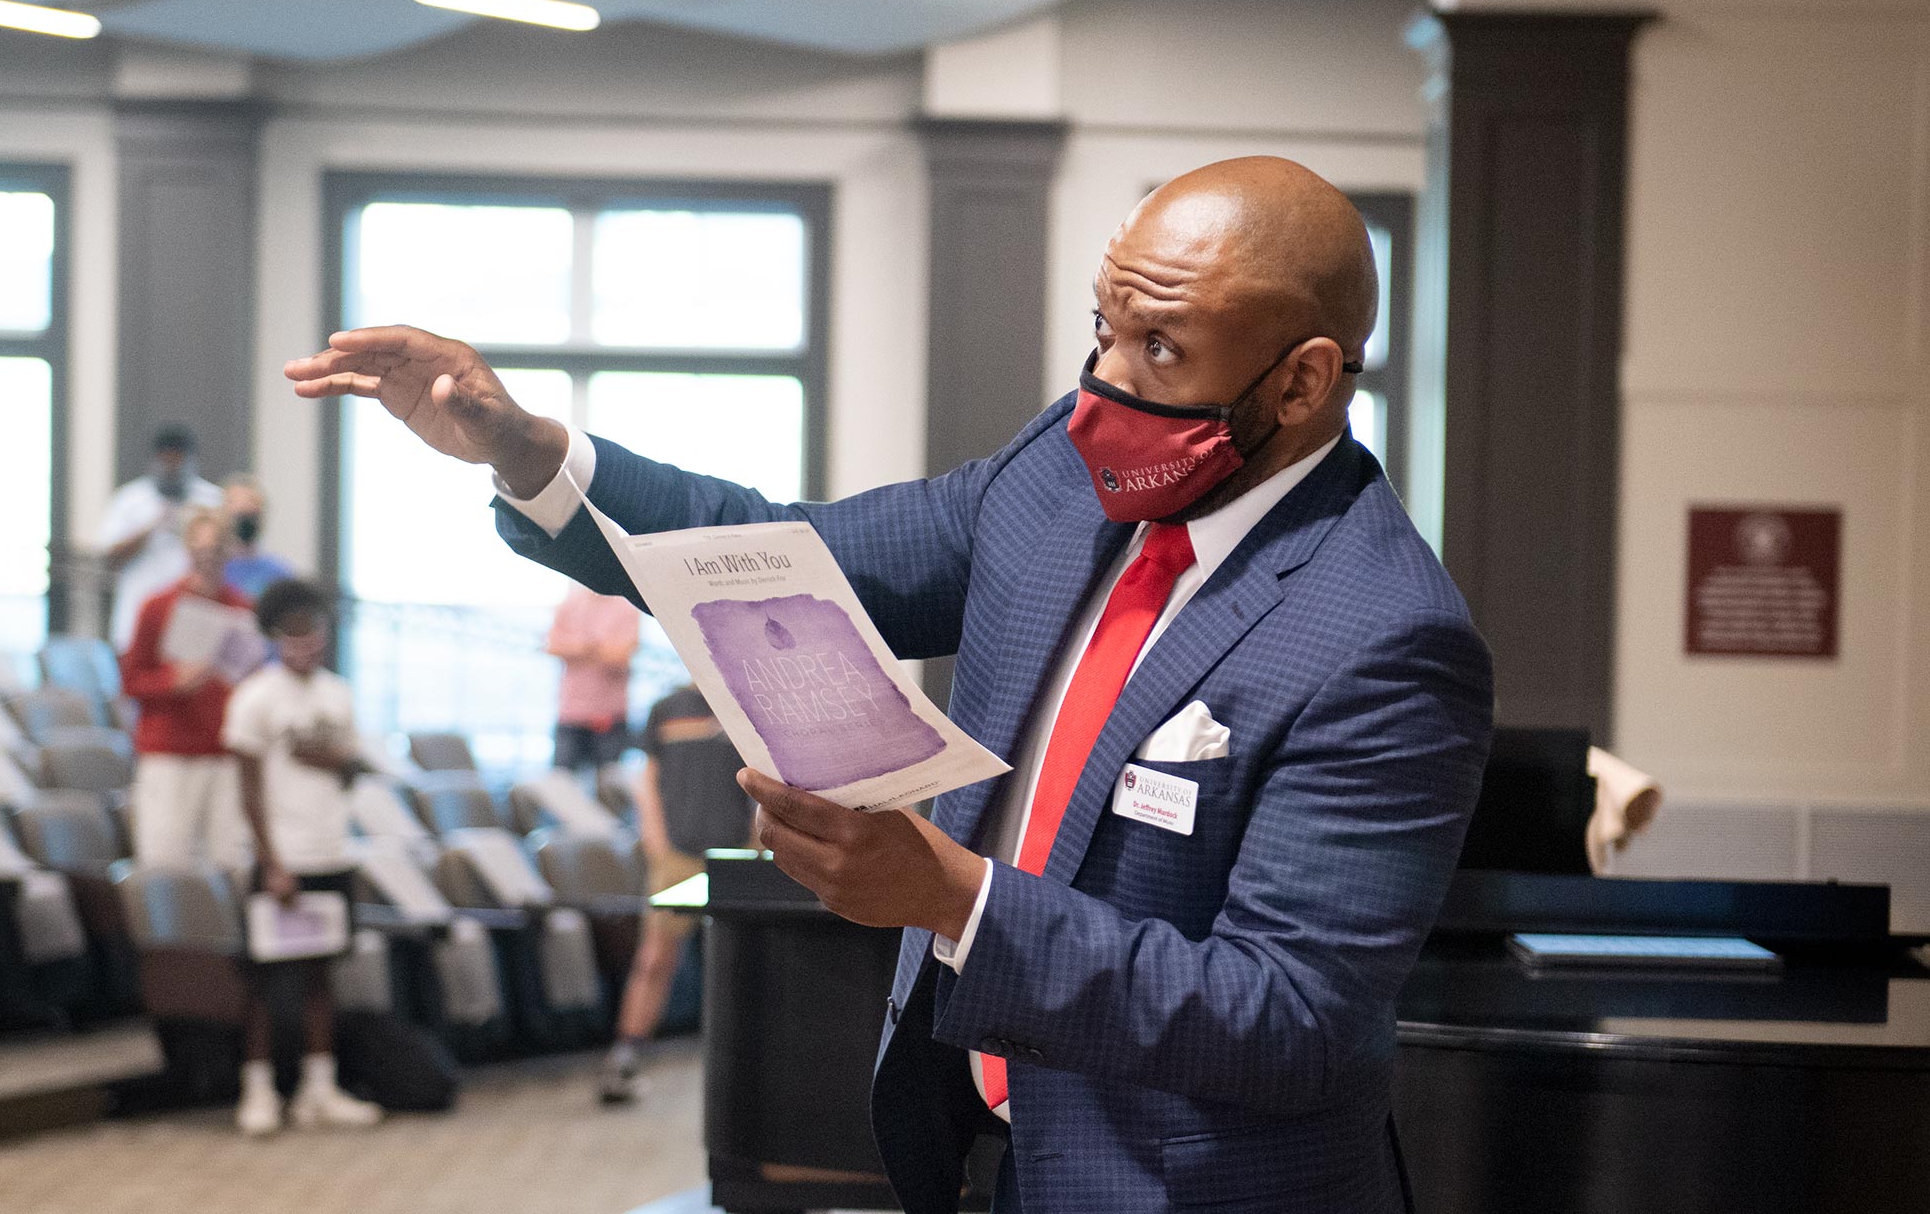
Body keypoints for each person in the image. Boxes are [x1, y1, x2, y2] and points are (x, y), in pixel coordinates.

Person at [287, 156, 1494, 1214]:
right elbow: (772, 554)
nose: (1099, 388)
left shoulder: (1383, 636)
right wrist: (531, 454)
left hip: (1191, 1187)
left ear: (1302, 382)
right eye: (1103, 327)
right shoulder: (1060, 481)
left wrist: (960, 898)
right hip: (986, 1154)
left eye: (1161, 349)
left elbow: (1290, 1018)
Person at [223, 577, 385, 1136]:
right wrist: (271, 863)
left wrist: (335, 760)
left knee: (322, 979)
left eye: (313, 631)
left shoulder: (338, 693)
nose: (306, 643)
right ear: (273, 637)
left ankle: (319, 1089)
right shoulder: (255, 697)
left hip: (331, 853)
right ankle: (259, 1090)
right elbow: (246, 790)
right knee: (266, 984)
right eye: (293, 634)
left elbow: (355, 768)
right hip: (281, 857)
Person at [597, 682, 756, 1105]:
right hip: (679, 856)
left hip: (740, 852)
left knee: (749, 961)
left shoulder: (748, 701)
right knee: (654, 957)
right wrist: (656, 839)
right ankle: (626, 1056)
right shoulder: (667, 709)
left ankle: (752, 1061)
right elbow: (647, 780)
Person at [119, 509, 254, 874]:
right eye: (202, 550)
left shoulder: (242, 608)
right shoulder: (158, 606)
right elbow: (131, 682)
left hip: (223, 750)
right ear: (188, 550)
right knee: (166, 859)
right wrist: (172, 682)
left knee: (228, 861)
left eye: (218, 550)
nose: (210, 560)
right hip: (170, 750)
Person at [97, 424, 223, 651]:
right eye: (166, 461)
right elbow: (109, 557)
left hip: (195, 616)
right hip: (137, 614)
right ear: (154, 462)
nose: (172, 468)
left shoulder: (212, 499)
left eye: (178, 461)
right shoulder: (130, 499)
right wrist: (151, 527)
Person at [545, 583, 639, 774]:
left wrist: (578, 647)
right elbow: (552, 646)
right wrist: (598, 646)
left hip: (610, 715)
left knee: (610, 787)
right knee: (561, 783)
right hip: (571, 713)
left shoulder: (626, 606)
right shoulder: (571, 603)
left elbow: (619, 656)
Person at [220, 474, 294, 601]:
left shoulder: (279, 573)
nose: (246, 523)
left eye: (252, 515)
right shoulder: (212, 569)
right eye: (240, 516)